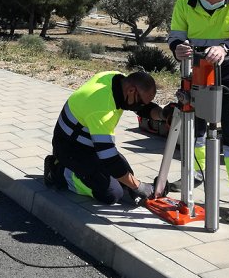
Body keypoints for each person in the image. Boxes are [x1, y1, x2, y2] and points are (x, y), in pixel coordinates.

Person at [167, 0, 229, 223]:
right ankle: (195, 175)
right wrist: (178, 48)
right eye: (211, 2)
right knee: (192, 128)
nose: (215, 5)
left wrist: (225, 47)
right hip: (195, 71)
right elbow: (175, 35)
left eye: (220, 1)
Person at [43, 71, 168, 205]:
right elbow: (110, 159)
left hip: (88, 142)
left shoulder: (117, 80)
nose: (141, 107)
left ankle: (83, 172)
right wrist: (139, 186)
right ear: (131, 91)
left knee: (126, 177)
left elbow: (144, 109)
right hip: (70, 149)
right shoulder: (102, 109)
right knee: (111, 193)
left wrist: (163, 114)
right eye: (141, 103)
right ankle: (58, 171)